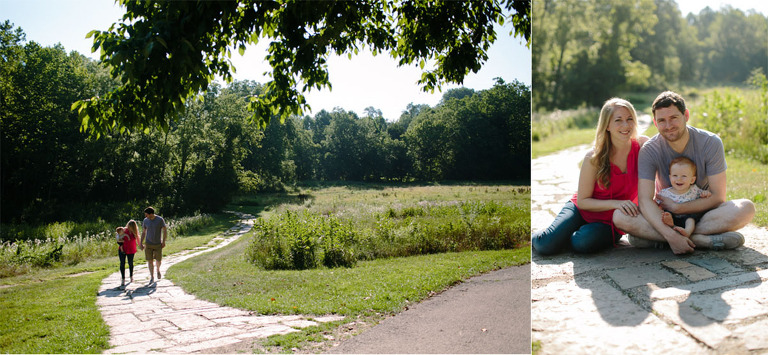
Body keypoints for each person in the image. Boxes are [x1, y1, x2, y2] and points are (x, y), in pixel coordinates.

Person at [613, 91, 755, 255]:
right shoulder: (650, 149)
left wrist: (679, 208)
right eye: (662, 121)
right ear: (655, 122)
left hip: (706, 214)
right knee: (620, 217)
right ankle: (699, 240)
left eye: (673, 118)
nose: (668, 125)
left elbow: (718, 196)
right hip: (667, 218)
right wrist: (670, 234)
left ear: (686, 115)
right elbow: (645, 200)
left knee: (746, 208)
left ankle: (660, 239)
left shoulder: (710, 142)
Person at [533, 98, 649, 255]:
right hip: (581, 210)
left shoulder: (642, 147)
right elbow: (582, 201)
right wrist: (617, 203)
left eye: (630, 119)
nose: (626, 125)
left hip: (613, 220)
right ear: (607, 125)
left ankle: (572, 236)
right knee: (545, 245)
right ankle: (551, 235)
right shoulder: (594, 157)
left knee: (581, 243)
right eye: (618, 120)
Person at [657, 156, 711, 237]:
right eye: (675, 175)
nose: (679, 179)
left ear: (692, 180)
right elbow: (657, 204)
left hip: (687, 216)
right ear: (670, 177)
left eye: (684, 176)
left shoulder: (694, 189)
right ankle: (672, 226)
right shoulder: (665, 193)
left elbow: (703, 194)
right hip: (672, 216)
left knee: (691, 218)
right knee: (667, 215)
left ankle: (687, 232)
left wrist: (705, 193)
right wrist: (660, 210)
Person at [139, 206, 167, 283]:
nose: (145, 216)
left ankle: (158, 269)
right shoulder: (145, 220)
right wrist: (141, 243)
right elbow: (144, 232)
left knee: (158, 260)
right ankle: (152, 276)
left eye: (146, 214)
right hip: (148, 244)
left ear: (151, 214)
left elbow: (165, 230)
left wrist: (164, 241)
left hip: (158, 243)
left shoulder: (160, 220)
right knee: (150, 261)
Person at [118, 220, 139, 287]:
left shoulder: (135, 233)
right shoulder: (124, 230)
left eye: (130, 227)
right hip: (123, 249)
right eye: (128, 226)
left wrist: (141, 246)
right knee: (122, 263)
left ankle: (131, 276)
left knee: (130, 263)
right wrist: (122, 240)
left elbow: (138, 239)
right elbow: (118, 238)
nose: (128, 228)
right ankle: (123, 278)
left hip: (131, 250)